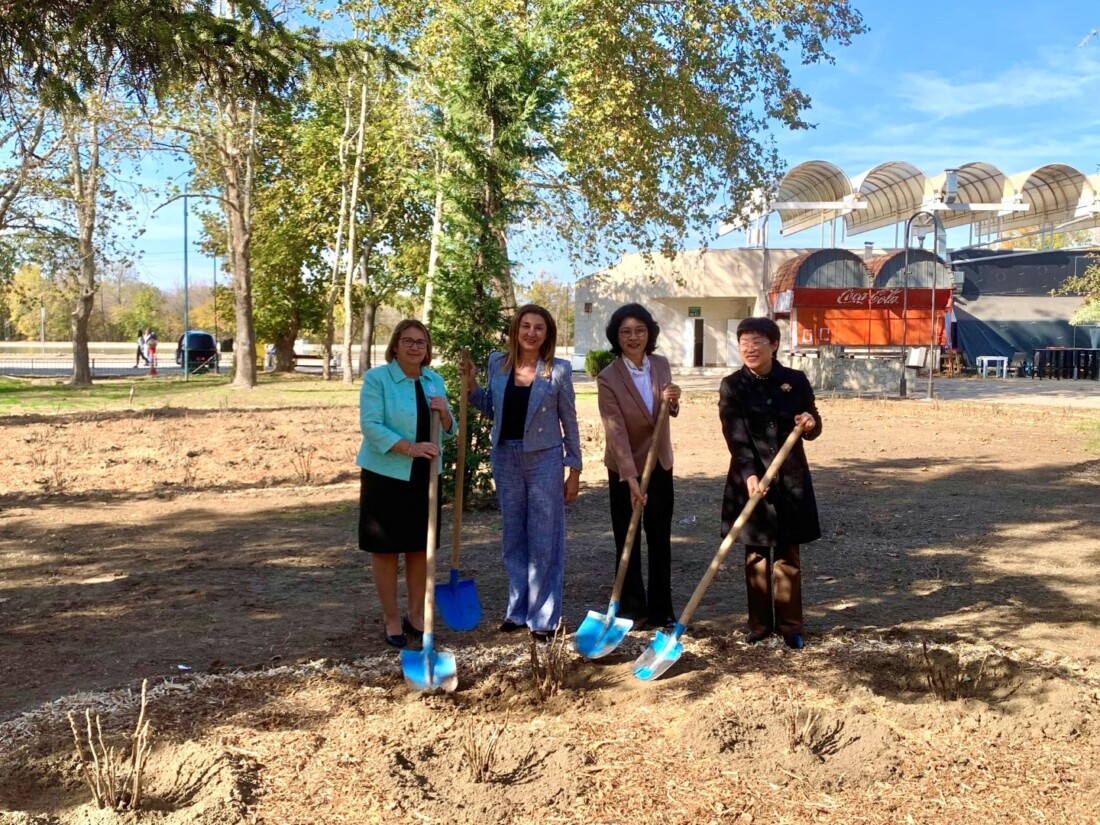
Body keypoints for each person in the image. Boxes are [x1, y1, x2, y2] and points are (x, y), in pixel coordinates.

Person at [462, 305, 582, 641]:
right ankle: (517, 610)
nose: (531, 333)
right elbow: (491, 408)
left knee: (545, 539)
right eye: (525, 326)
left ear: (547, 334)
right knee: (513, 538)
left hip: (544, 459)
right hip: (506, 457)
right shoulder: (497, 364)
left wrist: (573, 468)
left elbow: (568, 421)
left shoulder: (558, 370)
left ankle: (543, 618)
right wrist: (471, 387)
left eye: (538, 328)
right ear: (516, 330)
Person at [718, 317, 821, 650]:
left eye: (757, 341)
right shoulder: (732, 386)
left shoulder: (795, 380)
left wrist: (809, 422)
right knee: (757, 554)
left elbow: (813, 422)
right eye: (744, 342)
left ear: (774, 344)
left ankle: (791, 626)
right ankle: (760, 625)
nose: (749, 348)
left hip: (789, 477)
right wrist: (749, 473)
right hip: (749, 478)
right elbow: (734, 435)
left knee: (787, 553)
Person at [357, 319, 455, 648]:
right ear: (396, 345)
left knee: (419, 548)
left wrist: (445, 414)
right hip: (386, 475)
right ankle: (390, 618)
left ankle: (416, 615)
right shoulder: (378, 379)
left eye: (421, 342)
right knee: (386, 550)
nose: (415, 347)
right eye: (408, 341)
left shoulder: (434, 380)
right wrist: (409, 448)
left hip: (424, 477)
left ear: (427, 349)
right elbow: (371, 425)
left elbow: (450, 426)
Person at [596, 303, 681, 631]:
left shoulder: (660, 364)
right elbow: (615, 431)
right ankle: (632, 609)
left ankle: (662, 610)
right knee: (627, 537)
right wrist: (630, 478)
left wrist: (673, 400)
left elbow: (667, 410)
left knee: (659, 536)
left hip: (659, 463)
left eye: (640, 330)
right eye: (626, 332)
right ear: (616, 337)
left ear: (650, 334)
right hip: (623, 468)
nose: (633, 337)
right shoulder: (608, 378)